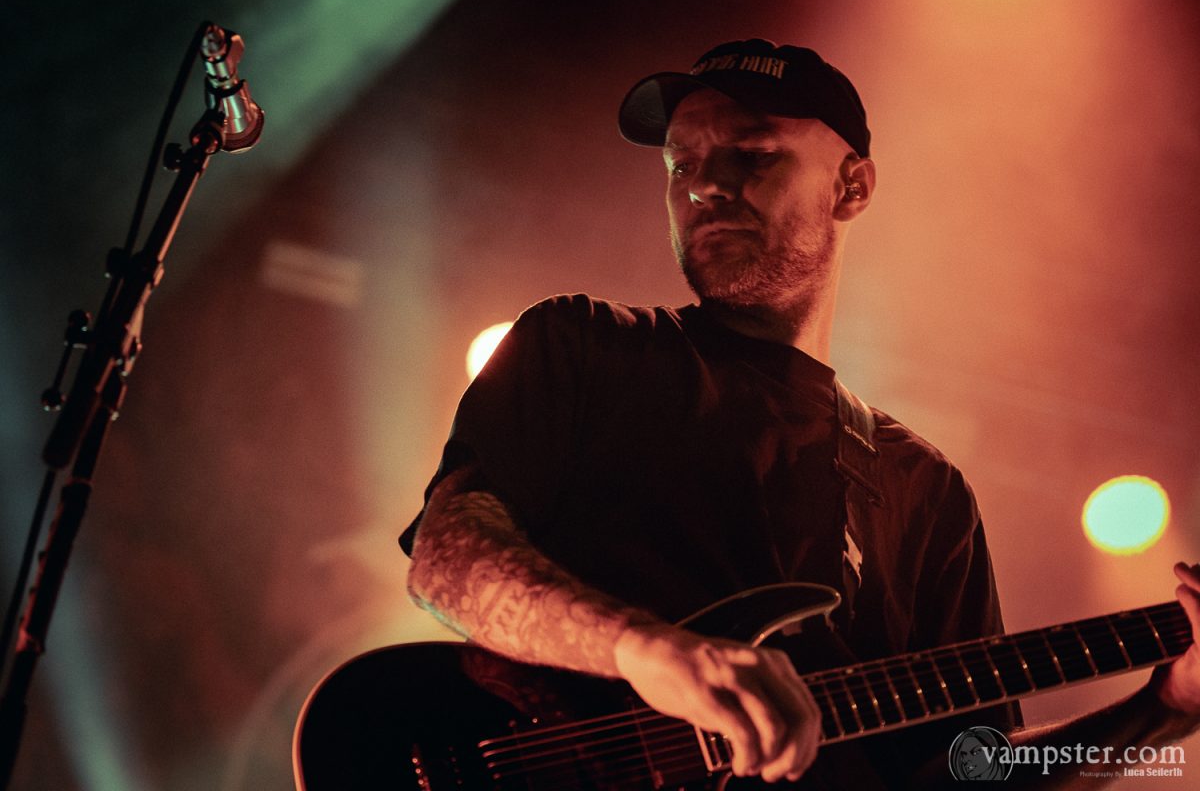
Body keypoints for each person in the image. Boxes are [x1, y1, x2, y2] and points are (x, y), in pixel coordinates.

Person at [401, 39, 1200, 788]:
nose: (704, 185)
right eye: (682, 163)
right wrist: (648, 653)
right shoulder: (583, 344)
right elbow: (445, 559)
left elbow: (973, 770)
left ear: (852, 187)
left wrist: (1164, 709)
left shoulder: (926, 490)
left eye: (752, 155)